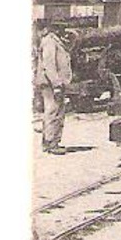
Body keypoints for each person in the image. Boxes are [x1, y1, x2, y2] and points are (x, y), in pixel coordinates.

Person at [36, 23, 73, 154]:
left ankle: (52, 141)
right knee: (52, 112)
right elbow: (49, 65)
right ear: (55, 28)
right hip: (51, 84)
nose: (63, 30)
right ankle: (50, 142)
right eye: (61, 28)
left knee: (57, 112)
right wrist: (56, 84)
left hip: (55, 83)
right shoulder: (49, 42)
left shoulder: (55, 40)